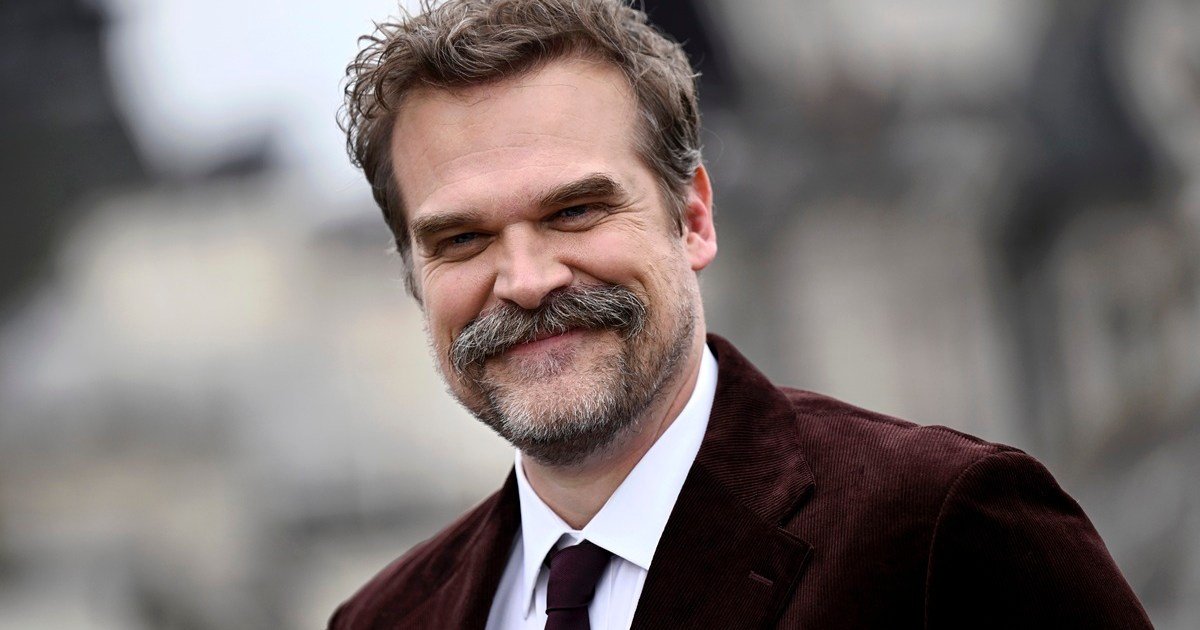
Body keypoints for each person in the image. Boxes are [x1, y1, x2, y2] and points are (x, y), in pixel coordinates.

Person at [329, 1, 1152, 628]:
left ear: (693, 218)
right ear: (413, 275)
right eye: (462, 239)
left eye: (574, 212)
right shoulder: (382, 620)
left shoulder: (947, 529)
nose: (526, 280)